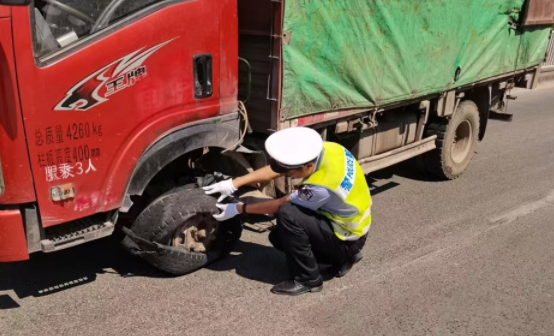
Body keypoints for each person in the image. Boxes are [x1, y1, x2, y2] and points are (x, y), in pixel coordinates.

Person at [203, 127, 372, 296]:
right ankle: (345, 257)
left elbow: (281, 204)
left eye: (290, 173)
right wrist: (234, 183)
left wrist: (239, 208)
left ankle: (309, 279)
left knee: (288, 214)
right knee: (278, 236)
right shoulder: (326, 149)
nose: (288, 176)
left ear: (309, 166)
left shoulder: (322, 186)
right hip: (348, 226)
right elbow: (274, 170)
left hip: (347, 236)